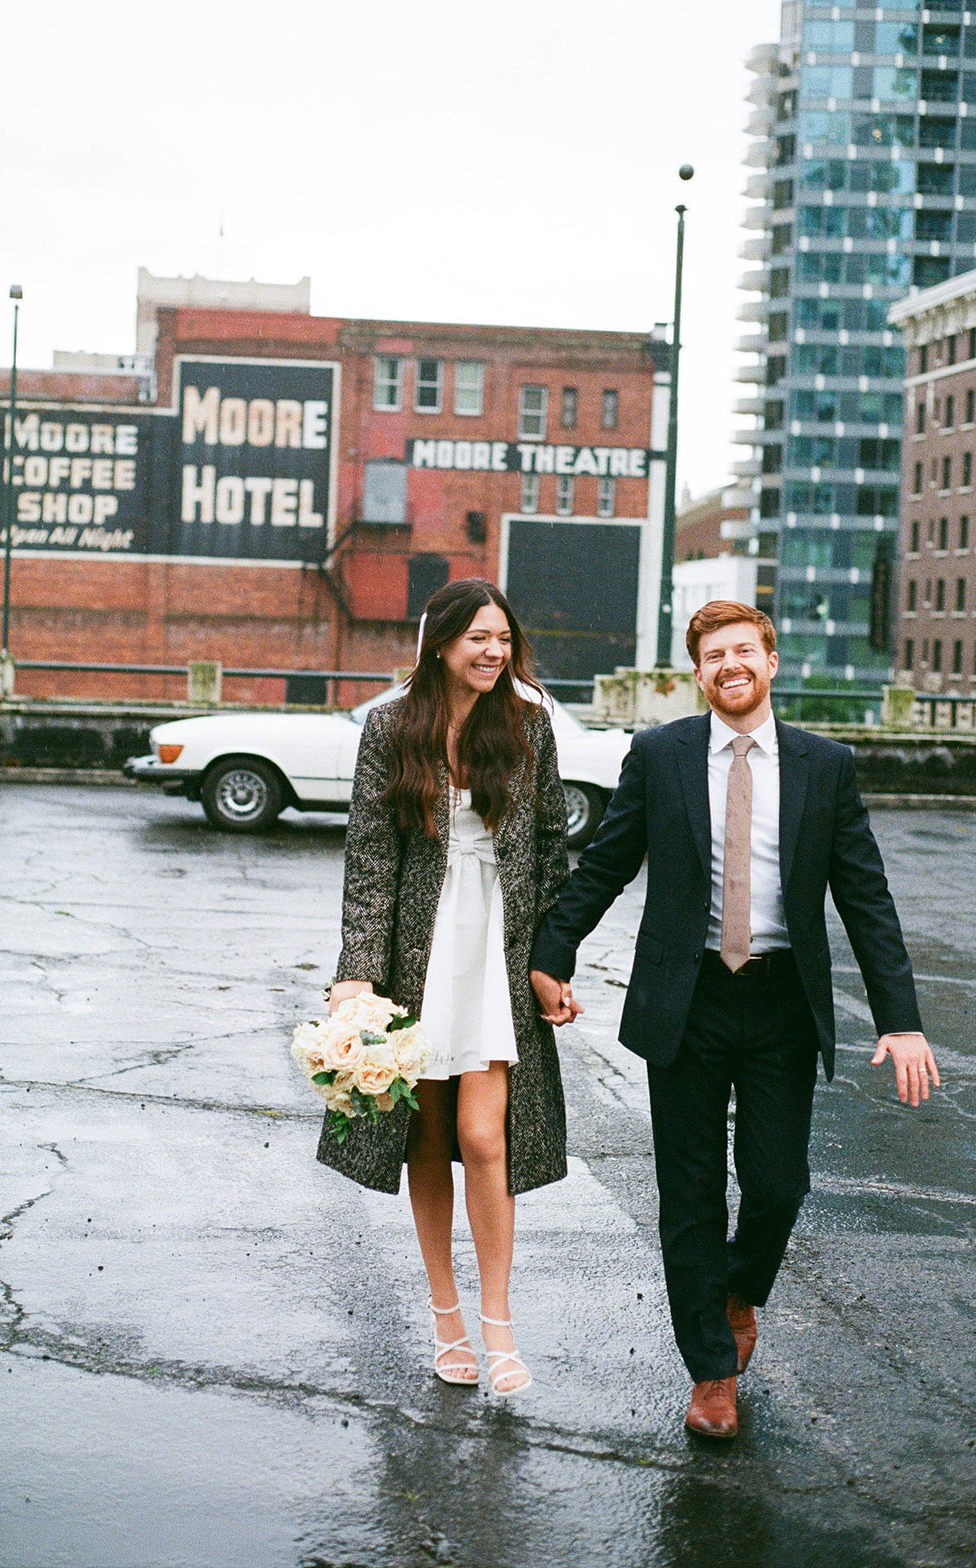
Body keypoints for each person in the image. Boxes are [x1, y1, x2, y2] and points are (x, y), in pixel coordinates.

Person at [529, 600, 939, 1439]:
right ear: (697, 672)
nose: (729, 667)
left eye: (743, 651)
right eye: (713, 655)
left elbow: (864, 896)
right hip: (684, 999)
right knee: (687, 1194)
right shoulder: (660, 755)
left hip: (782, 1001)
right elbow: (605, 862)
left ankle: (740, 1290)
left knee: (778, 1184)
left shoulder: (825, 765)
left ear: (771, 661)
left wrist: (899, 1019)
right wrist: (552, 951)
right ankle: (711, 1372)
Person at [317, 578, 570, 1396]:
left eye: (503, 637)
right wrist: (357, 969)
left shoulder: (530, 723)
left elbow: (550, 853)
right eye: (478, 639)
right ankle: (446, 1319)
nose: (494, 651)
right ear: (440, 644)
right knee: (425, 1137)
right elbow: (370, 855)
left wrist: (551, 961)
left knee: (484, 1136)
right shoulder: (392, 725)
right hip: (417, 952)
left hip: (498, 947)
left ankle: (499, 1327)